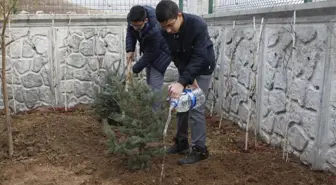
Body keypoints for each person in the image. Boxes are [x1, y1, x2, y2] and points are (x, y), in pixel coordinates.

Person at [155, 0, 216, 165]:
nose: (168, 30)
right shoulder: (165, 32)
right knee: (181, 103)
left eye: (170, 25)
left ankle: (200, 149)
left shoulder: (198, 25)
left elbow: (200, 57)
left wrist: (185, 82)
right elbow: (175, 55)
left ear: (179, 15)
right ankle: (181, 143)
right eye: (164, 27)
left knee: (195, 107)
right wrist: (184, 79)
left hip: (203, 67)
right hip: (186, 67)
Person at [125, 5, 171, 110]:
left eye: (138, 26)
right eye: (133, 25)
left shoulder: (155, 28)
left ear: (145, 20)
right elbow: (130, 33)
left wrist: (134, 69)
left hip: (162, 54)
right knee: (149, 83)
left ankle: (156, 117)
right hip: (150, 50)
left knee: (155, 85)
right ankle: (152, 110)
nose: (135, 28)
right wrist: (129, 49)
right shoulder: (132, 19)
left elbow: (151, 53)